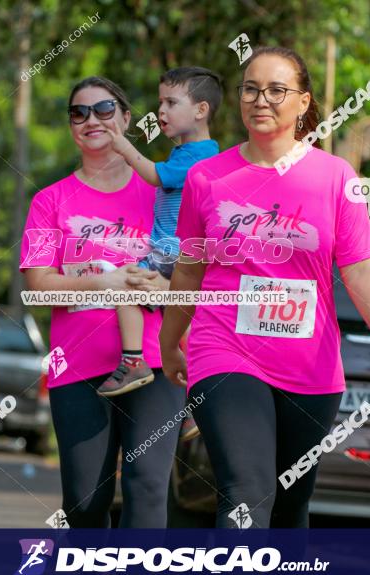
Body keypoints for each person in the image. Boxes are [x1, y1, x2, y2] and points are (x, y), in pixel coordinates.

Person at [160, 46, 370, 529]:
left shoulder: (336, 177)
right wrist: (171, 341)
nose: (261, 100)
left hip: (309, 362)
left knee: (290, 502)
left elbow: (359, 267)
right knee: (246, 491)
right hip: (224, 348)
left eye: (277, 90)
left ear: (303, 102)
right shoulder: (206, 178)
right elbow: (190, 268)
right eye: (251, 89)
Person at [20, 77, 185, 528]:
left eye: (104, 109)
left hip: (156, 361)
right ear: (72, 126)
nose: (92, 119)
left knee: (148, 486)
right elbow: (37, 283)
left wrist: (165, 291)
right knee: (85, 499)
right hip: (76, 364)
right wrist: (105, 281)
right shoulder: (48, 201)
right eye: (79, 112)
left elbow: (195, 278)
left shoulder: (164, 195)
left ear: (127, 118)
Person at [95, 67, 222, 397]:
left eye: (171, 102)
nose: (161, 111)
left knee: (125, 285)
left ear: (201, 110)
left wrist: (123, 147)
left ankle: (134, 360)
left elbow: (153, 175)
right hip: (170, 250)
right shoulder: (188, 151)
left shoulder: (200, 155)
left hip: (174, 251)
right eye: (160, 102)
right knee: (175, 310)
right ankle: (196, 387)